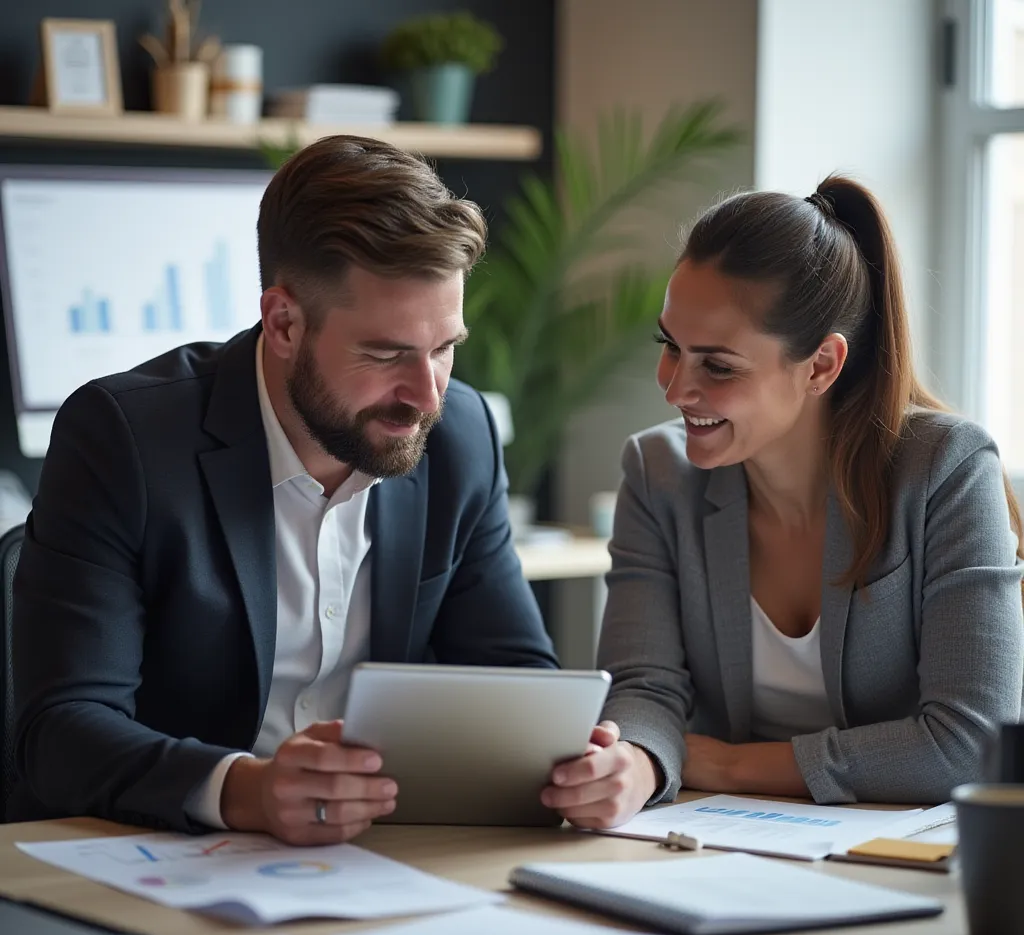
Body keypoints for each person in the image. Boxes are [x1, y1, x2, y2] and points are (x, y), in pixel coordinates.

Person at [11, 135, 558, 843]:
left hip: (378, 856)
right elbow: (59, 732)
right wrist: (246, 790)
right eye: (387, 354)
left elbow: (515, 682)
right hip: (164, 852)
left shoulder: (461, 438)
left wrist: (575, 762)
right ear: (284, 323)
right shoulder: (125, 438)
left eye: (445, 347)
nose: (426, 395)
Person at [542, 175, 1024, 828]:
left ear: (821, 365)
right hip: (714, 842)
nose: (675, 388)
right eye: (670, 348)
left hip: (915, 858)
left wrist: (733, 765)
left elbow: (973, 743)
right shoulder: (658, 473)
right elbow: (645, 689)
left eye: (718, 366)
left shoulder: (945, 468)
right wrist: (636, 763)